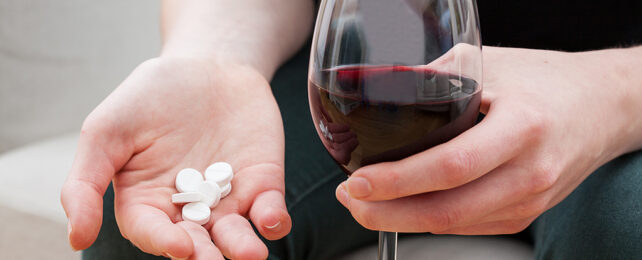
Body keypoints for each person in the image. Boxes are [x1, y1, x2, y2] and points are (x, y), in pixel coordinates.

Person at [60, 0, 642, 259]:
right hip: (371, 56)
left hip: (623, 93)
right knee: (160, 226)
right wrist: (213, 59)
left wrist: (611, 91)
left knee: (624, 231)